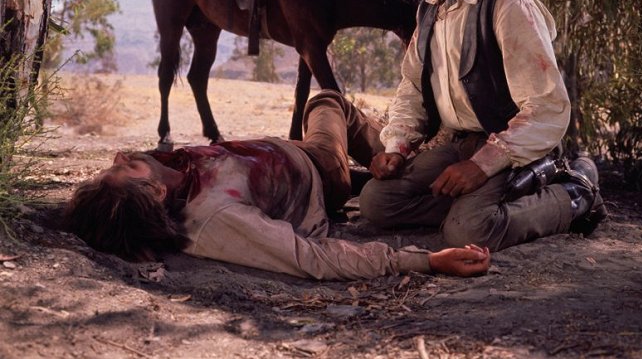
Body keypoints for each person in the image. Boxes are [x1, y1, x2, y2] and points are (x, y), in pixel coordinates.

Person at [359, 0, 607, 250]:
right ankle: (476, 206)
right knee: (376, 203)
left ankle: (576, 194)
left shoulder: (508, 5)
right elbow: (412, 86)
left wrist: (483, 165)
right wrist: (397, 147)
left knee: (469, 232)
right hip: (461, 143)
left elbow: (547, 108)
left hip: (511, 146)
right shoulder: (430, 8)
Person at [64, 90, 490, 281]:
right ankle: (414, 155)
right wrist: (425, 262)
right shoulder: (215, 218)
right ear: (155, 195)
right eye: (122, 171)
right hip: (320, 170)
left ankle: (395, 159)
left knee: (383, 167)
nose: (120, 158)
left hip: (293, 154)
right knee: (326, 101)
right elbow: (312, 257)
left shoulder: (162, 169)